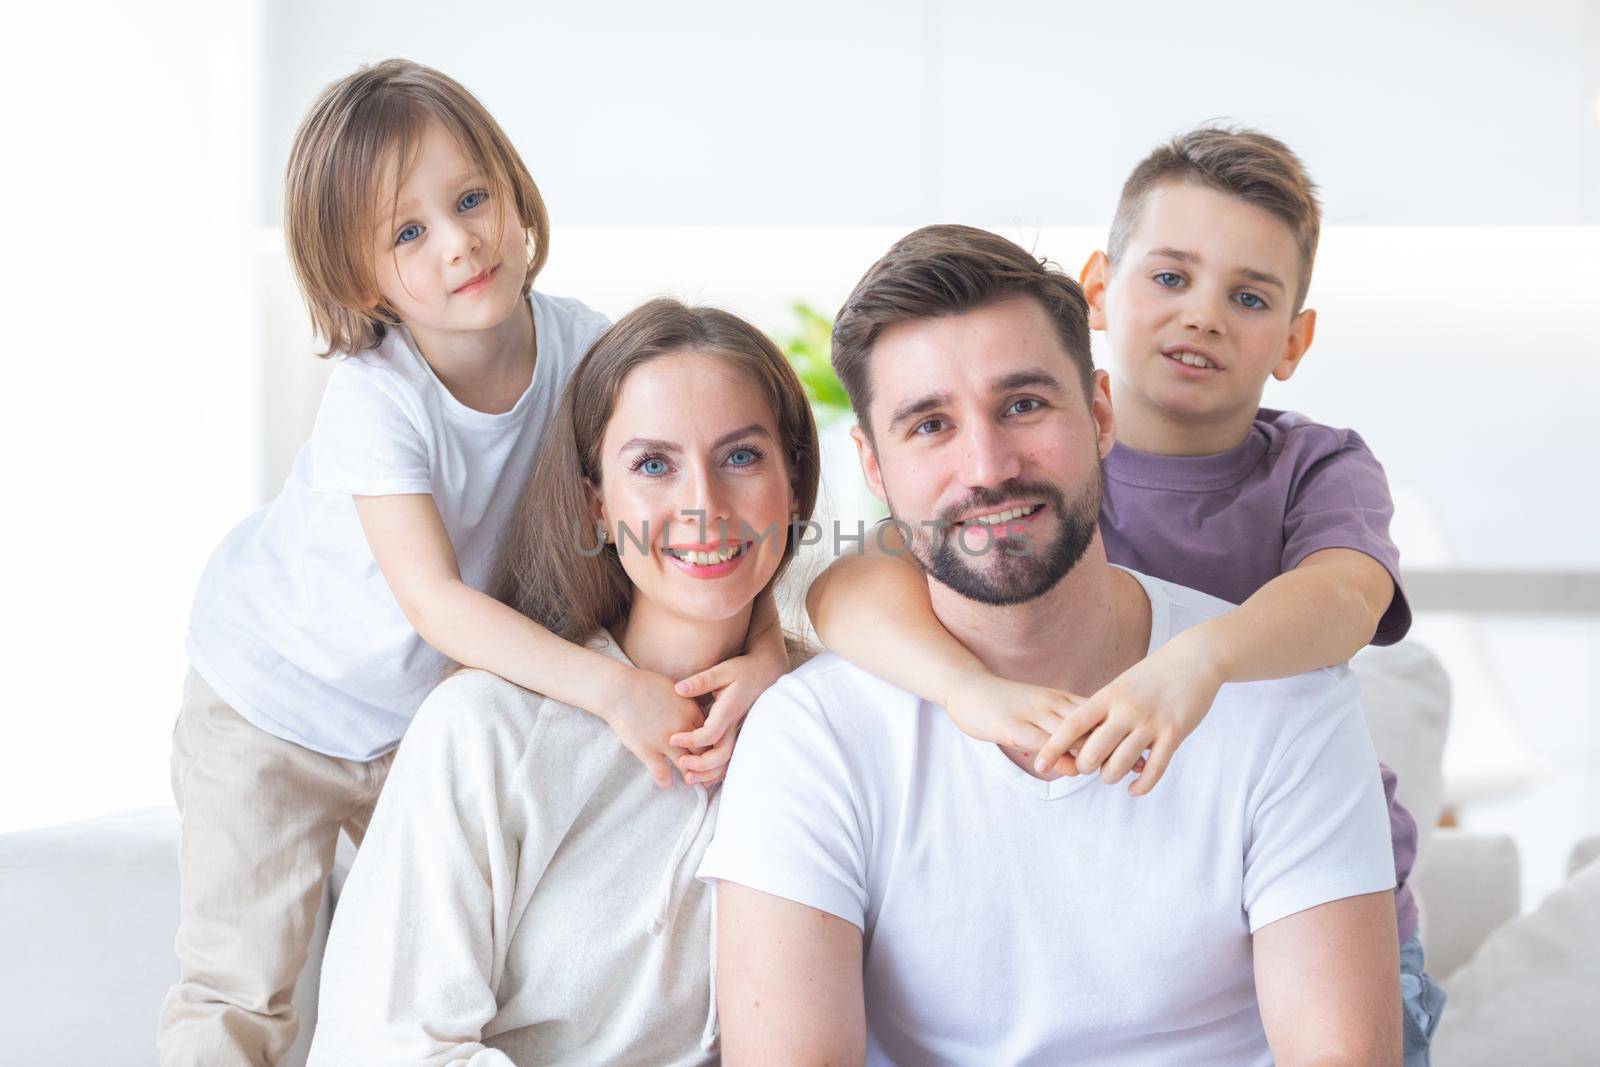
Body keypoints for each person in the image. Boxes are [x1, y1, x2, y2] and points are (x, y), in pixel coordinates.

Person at [162, 62, 786, 1065]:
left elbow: (723, 544)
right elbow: (438, 602)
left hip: (411, 717)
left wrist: (763, 653)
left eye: (469, 198)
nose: (459, 241)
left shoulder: (582, 349)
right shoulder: (379, 394)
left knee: (400, 952)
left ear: (509, 189)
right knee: (243, 985)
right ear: (359, 277)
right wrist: (614, 689)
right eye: (408, 232)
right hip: (274, 702)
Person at [804, 128, 1441, 1060]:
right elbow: (849, 589)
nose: (1204, 317)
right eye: (1171, 277)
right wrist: (969, 693)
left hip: (1319, 904)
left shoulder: (1317, 466)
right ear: (1101, 287)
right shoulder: (1015, 478)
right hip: (1098, 880)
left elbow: (1345, 595)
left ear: (1295, 340)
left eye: (1251, 296)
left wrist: (1197, 661)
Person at [306, 298, 820, 1064]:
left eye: (741, 456)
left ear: (795, 481)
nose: (703, 506)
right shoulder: (485, 731)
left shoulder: (831, 718)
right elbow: (385, 1047)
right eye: (653, 465)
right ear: (596, 504)